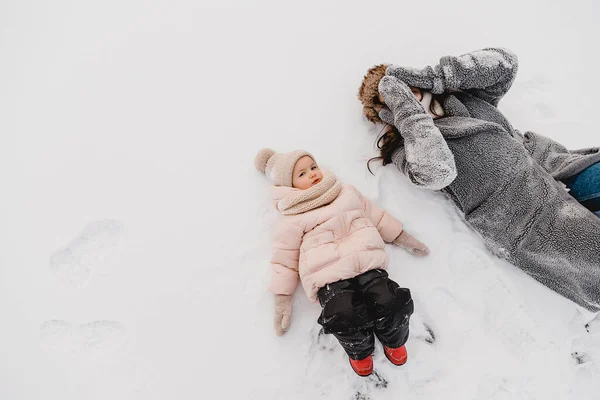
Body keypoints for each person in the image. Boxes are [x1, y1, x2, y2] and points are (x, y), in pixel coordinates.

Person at [357, 48, 600, 314]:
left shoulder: (463, 98)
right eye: (390, 95)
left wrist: (435, 77)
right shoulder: (407, 148)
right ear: (386, 111)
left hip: (552, 167)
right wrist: (408, 112)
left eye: (402, 82)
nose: (403, 92)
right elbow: (437, 171)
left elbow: (505, 64)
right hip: (524, 216)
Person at [254, 148, 429, 376]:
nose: (312, 174)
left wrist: (400, 236)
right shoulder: (291, 219)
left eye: (313, 167)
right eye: (302, 174)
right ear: (290, 186)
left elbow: (375, 216)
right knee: (343, 315)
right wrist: (283, 299)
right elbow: (284, 260)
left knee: (391, 301)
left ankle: (394, 340)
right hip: (329, 278)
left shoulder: (344, 192)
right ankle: (360, 351)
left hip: (368, 264)